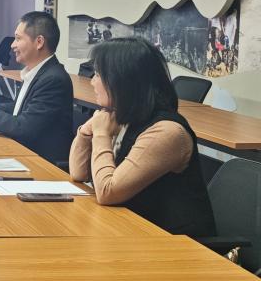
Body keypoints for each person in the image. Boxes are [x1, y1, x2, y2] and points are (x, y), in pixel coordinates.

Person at [68, 37, 215, 237]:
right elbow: (78, 173)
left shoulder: (166, 132)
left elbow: (107, 192)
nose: (92, 81)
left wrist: (101, 134)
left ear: (122, 81)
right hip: (132, 230)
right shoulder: (122, 116)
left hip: (174, 245)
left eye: (99, 74)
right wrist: (86, 131)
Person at [0, 11, 74, 163]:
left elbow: (25, 127)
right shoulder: (38, 72)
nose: (12, 45)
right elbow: (19, 109)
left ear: (39, 42)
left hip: (41, 163)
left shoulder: (53, 79)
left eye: (18, 39)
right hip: (25, 154)